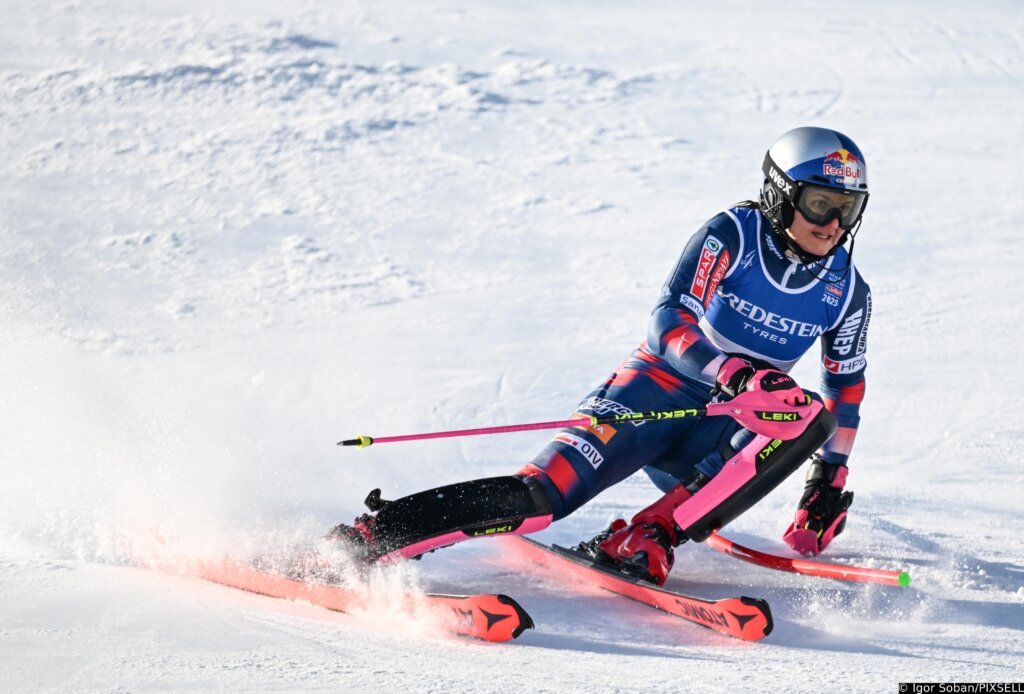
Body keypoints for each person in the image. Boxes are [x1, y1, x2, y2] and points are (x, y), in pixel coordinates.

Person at [332, 126, 870, 586]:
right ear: (781, 193)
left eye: (847, 209)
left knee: (805, 415)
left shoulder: (848, 291)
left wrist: (828, 481)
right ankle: (372, 538)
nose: (832, 224)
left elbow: (845, 393)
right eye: (819, 203)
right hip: (654, 394)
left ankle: (651, 533)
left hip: (718, 438)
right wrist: (735, 371)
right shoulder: (733, 233)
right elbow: (669, 323)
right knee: (541, 499)